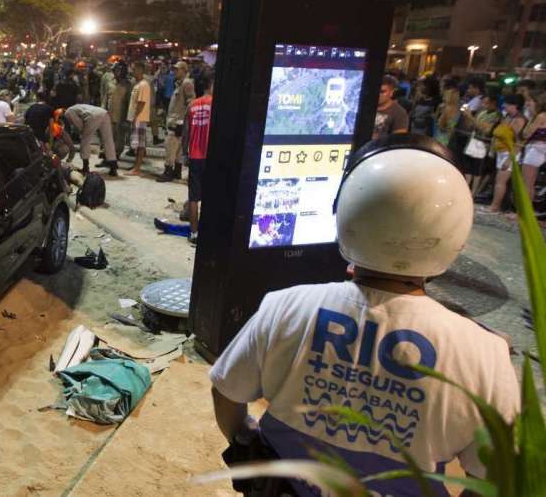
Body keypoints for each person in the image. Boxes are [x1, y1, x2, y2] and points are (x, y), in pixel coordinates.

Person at [209, 136, 519, 497]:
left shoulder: (285, 307)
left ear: (345, 211)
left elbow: (226, 391)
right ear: (457, 231)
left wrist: (245, 442)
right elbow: (496, 479)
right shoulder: (485, 355)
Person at [183, 74, 213, 243]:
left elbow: (186, 133)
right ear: (211, 84)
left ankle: (194, 233)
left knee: (194, 197)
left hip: (195, 155)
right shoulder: (215, 103)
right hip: (210, 155)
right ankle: (207, 231)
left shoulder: (191, 105)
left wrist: (184, 154)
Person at [486, 94, 528, 213]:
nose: (504, 105)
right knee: (498, 181)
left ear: (515, 105)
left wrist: (510, 159)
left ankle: (495, 206)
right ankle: (496, 205)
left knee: (501, 181)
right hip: (500, 152)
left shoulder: (519, 120)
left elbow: (519, 142)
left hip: (510, 153)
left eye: (507, 104)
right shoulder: (507, 117)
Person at [157, 61, 196, 182]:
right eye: (174, 69)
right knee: (178, 149)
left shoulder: (186, 83)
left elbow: (191, 101)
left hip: (177, 123)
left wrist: (183, 121)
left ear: (184, 70)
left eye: (177, 69)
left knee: (170, 146)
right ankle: (177, 171)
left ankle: (168, 171)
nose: (174, 71)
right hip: (178, 122)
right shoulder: (180, 84)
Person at [460, 94, 501, 194]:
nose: (483, 104)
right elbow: (472, 125)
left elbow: (485, 130)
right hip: (473, 141)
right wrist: (467, 117)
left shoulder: (496, 115)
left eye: (486, 102)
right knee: (468, 169)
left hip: (483, 144)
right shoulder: (482, 112)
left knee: (477, 171)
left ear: (493, 103)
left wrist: (471, 117)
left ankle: (473, 193)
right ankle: (464, 190)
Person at [63, 103, 118, 176]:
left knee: (85, 141)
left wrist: (82, 132)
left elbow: (79, 125)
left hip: (94, 116)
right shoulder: (75, 107)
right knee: (108, 141)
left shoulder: (68, 113)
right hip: (104, 113)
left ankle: (85, 168)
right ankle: (113, 167)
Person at [126, 61, 152, 176]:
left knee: (140, 144)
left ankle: (137, 169)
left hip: (139, 118)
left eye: (134, 69)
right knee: (137, 144)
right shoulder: (138, 84)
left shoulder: (143, 85)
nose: (132, 71)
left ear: (140, 70)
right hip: (137, 118)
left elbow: (141, 103)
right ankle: (136, 166)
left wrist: (135, 118)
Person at [520, 95, 546, 205]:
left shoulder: (540, 116)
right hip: (540, 150)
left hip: (535, 150)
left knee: (527, 184)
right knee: (531, 183)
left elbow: (526, 134)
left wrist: (530, 119)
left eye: (530, 101)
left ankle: (524, 213)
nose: (527, 104)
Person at [104, 61, 133, 158]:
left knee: (119, 138)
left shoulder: (128, 85)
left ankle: (115, 158)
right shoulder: (110, 82)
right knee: (107, 138)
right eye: (114, 70)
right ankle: (107, 157)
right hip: (108, 115)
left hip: (121, 117)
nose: (115, 73)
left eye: (117, 70)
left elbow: (130, 103)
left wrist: (128, 119)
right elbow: (105, 98)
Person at [373, 74, 409, 139]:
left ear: (391, 92)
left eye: (382, 91)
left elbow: (398, 140)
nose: (378, 94)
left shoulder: (399, 113)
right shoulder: (364, 107)